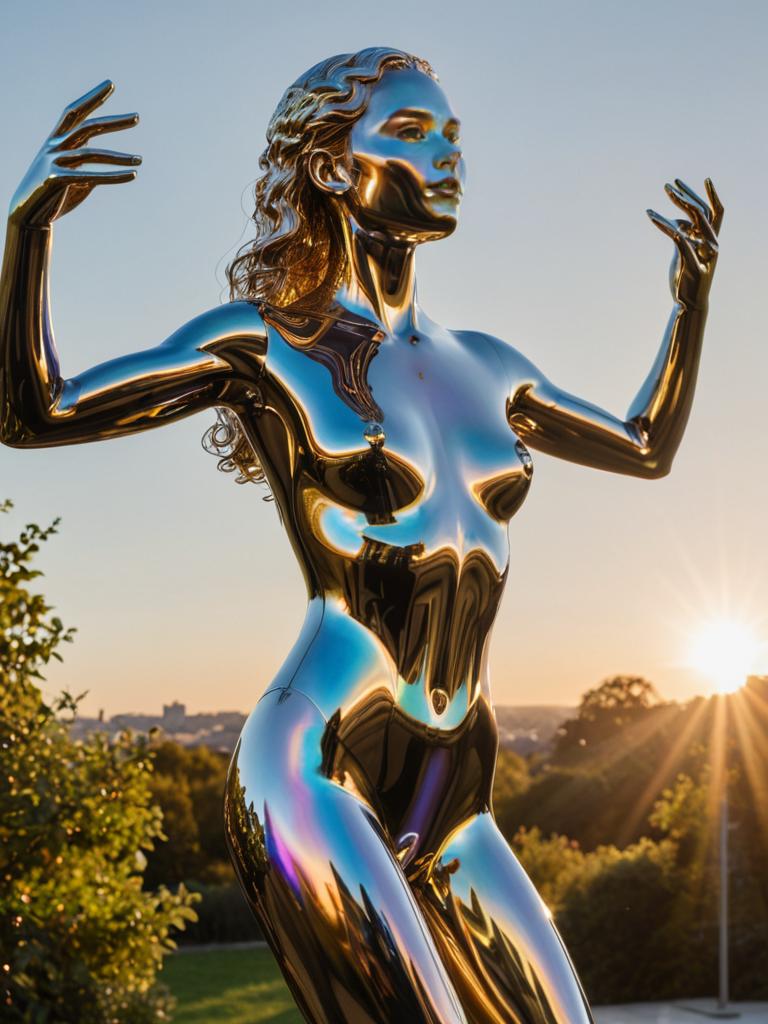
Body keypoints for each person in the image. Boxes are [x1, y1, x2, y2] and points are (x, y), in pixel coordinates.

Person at [0, 47, 722, 1024]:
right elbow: (36, 410)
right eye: (415, 132)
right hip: (319, 757)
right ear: (333, 167)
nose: (450, 153)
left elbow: (643, 447)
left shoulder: (488, 366)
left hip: (457, 782)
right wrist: (27, 233)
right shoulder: (267, 341)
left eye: (454, 135)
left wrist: (691, 305)